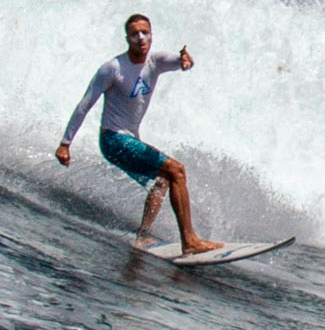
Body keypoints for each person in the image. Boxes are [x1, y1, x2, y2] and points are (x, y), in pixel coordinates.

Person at [55, 14, 222, 255]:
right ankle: (190, 240)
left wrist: (187, 61)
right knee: (176, 171)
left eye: (145, 32)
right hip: (114, 140)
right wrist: (65, 143)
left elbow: (182, 61)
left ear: (151, 35)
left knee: (162, 181)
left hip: (128, 139)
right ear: (127, 38)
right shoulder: (112, 68)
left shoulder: (156, 61)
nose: (141, 38)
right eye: (135, 34)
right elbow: (85, 104)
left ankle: (142, 237)